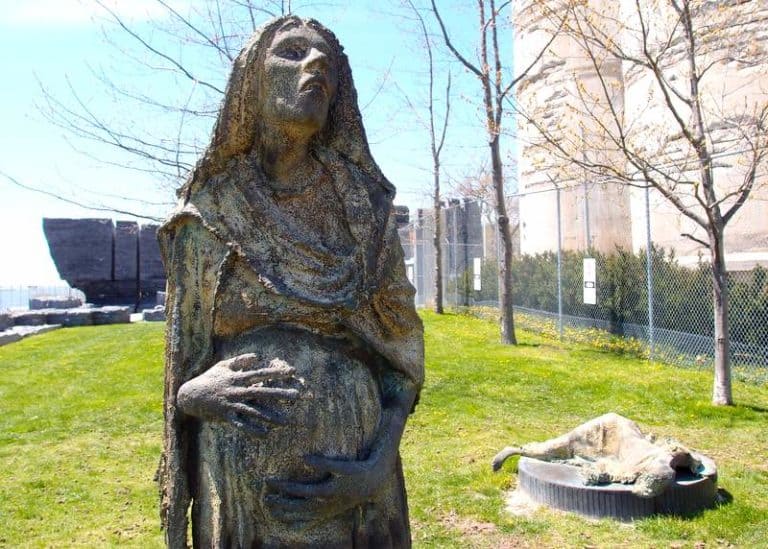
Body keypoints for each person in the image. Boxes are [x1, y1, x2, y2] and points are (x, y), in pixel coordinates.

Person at [157, 15, 424, 548]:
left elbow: (403, 365)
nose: (315, 64)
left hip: (356, 483)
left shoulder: (366, 216)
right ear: (250, 82)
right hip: (239, 489)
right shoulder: (206, 215)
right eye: (293, 52)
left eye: (326, 60)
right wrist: (195, 394)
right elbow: (180, 371)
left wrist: (377, 464)